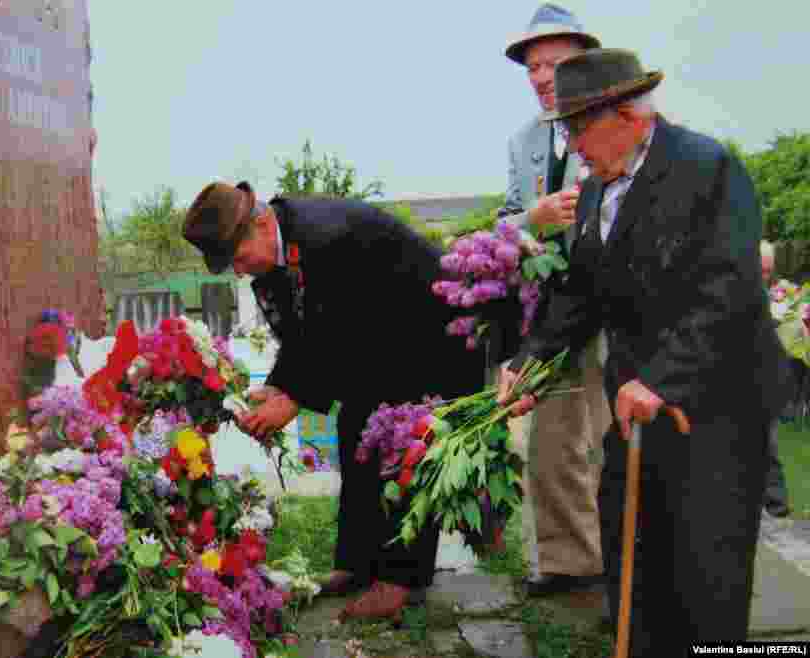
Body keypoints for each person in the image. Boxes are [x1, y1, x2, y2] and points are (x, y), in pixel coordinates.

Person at [496, 49, 790, 656]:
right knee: (637, 558)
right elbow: (579, 295)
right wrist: (530, 363)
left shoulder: (706, 167)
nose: (573, 143)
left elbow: (727, 287)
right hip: (634, 405)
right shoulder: (593, 192)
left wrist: (663, 378)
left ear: (628, 117)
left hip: (714, 406)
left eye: (580, 126)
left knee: (706, 573)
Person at [183, 182, 487, 620]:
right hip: (380, 345)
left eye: (236, 256)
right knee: (355, 433)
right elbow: (303, 333)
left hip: (431, 339)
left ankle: (398, 581)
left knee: (403, 448)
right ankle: (359, 564)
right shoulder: (280, 247)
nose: (237, 270)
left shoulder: (328, 238)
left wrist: (295, 400)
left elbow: (345, 332)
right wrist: (279, 386)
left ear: (262, 224)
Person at [498, 2, 609, 597]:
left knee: (613, 436)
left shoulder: (620, 124)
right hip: (553, 308)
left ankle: (632, 555)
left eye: (554, 64)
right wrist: (532, 220)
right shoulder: (523, 143)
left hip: (616, 305)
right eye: (532, 67)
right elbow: (503, 223)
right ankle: (571, 563)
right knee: (552, 441)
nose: (541, 77)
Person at [761, 240, 792, 518]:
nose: (764, 277)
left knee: (769, 442)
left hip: (766, 381)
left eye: (768, 272)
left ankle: (776, 502)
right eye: (760, 271)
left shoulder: (777, 298)